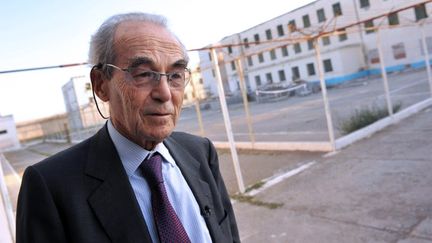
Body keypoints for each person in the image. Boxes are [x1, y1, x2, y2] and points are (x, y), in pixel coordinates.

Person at [16, 12, 239, 243]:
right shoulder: (51, 187)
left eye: (175, 75)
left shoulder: (200, 152)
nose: (165, 93)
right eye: (143, 74)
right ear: (101, 85)